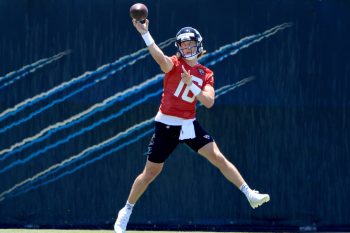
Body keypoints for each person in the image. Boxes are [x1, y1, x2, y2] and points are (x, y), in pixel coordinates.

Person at [114, 19, 270, 233]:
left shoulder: (206, 73)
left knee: (219, 158)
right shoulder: (174, 64)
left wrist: (192, 85)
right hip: (167, 125)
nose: (186, 48)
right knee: (150, 173)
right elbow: (160, 59)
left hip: (188, 124)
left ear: (198, 45)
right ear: (178, 48)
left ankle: (249, 194)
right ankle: (126, 210)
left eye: (190, 44)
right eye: (183, 45)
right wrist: (145, 34)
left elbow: (208, 101)